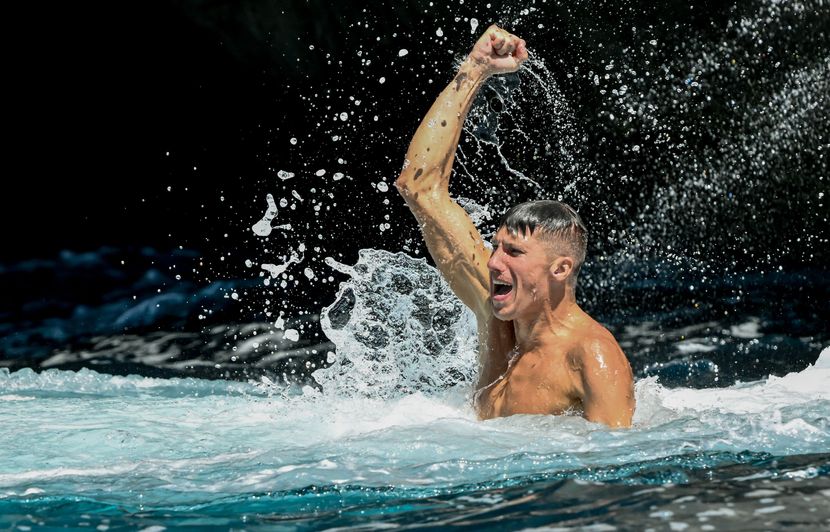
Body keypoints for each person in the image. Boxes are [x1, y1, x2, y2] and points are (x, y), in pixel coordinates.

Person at [394, 24, 635, 427]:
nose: (493, 262)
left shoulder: (590, 356)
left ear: (560, 268)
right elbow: (418, 186)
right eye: (497, 247)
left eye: (515, 252)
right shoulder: (496, 314)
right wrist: (475, 68)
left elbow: (614, 465)